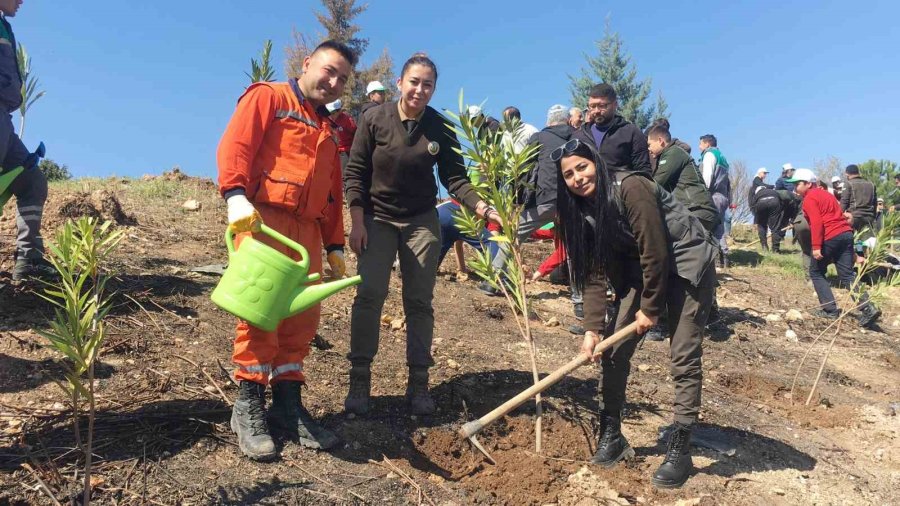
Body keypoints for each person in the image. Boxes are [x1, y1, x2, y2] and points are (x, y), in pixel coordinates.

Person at [217, 40, 356, 460]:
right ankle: (247, 406)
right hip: (264, 221)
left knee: (300, 321)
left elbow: (332, 192)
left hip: (308, 233)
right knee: (262, 312)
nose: (332, 82)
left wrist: (334, 244)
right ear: (307, 62)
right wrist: (235, 195)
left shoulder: (329, 129)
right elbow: (236, 145)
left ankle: (288, 407)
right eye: (328, 71)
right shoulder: (270, 98)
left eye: (342, 79)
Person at [343, 53, 502, 417]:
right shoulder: (373, 118)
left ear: (433, 90)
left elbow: (456, 178)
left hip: (421, 222)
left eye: (427, 84)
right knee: (369, 295)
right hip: (377, 218)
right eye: (413, 81)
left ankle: (418, 386)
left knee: (419, 302)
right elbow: (355, 173)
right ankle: (359, 381)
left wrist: (484, 209)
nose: (419, 89)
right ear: (400, 83)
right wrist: (357, 221)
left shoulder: (441, 127)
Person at [553, 138, 717, 489]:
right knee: (611, 352)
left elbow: (655, 248)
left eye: (582, 167)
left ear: (596, 162)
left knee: (683, 355)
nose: (578, 178)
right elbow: (595, 274)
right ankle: (611, 436)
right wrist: (592, 329)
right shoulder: (582, 211)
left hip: (686, 264)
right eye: (569, 174)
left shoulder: (631, 186)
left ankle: (680, 446)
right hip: (642, 273)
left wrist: (650, 309)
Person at [787, 169, 881, 326]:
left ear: (808, 184)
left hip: (830, 236)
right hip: (846, 234)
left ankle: (830, 310)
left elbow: (817, 223)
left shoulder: (810, 198)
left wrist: (816, 246)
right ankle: (868, 308)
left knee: (815, 272)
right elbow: (840, 214)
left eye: (798, 184)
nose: (795, 187)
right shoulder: (827, 194)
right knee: (847, 275)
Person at [0, 0, 52, 282]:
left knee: (31, 180)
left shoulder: (3, 26)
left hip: (4, 119)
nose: (22, 1)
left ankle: (29, 259)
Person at [698, 134, 731, 266]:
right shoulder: (722, 157)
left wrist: (702, 194)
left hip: (713, 196)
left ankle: (715, 259)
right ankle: (725, 257)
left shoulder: (710, 155)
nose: (699, 147)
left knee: (708, 227)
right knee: (719, 227)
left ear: (707, 144)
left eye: (700, 144)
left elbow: (707, 176)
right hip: (723, 196)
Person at [840, 164, 877, 235]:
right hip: (869, 218)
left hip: (854, 218)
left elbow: (844, 202)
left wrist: (838, 217)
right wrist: (873, 216)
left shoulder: (848, 184)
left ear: (847, 174)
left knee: (854, 243)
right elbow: (874, 203)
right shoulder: (871, 184)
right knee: (867, 243)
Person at [325, 99, 356, 175]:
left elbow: (356, 134)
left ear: (339, 111)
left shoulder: (347, 120)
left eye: (333, 113)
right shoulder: (327, 119)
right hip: (332, 150)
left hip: (345, 151)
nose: (330, 115)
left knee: (344, 173)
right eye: (328, 113)